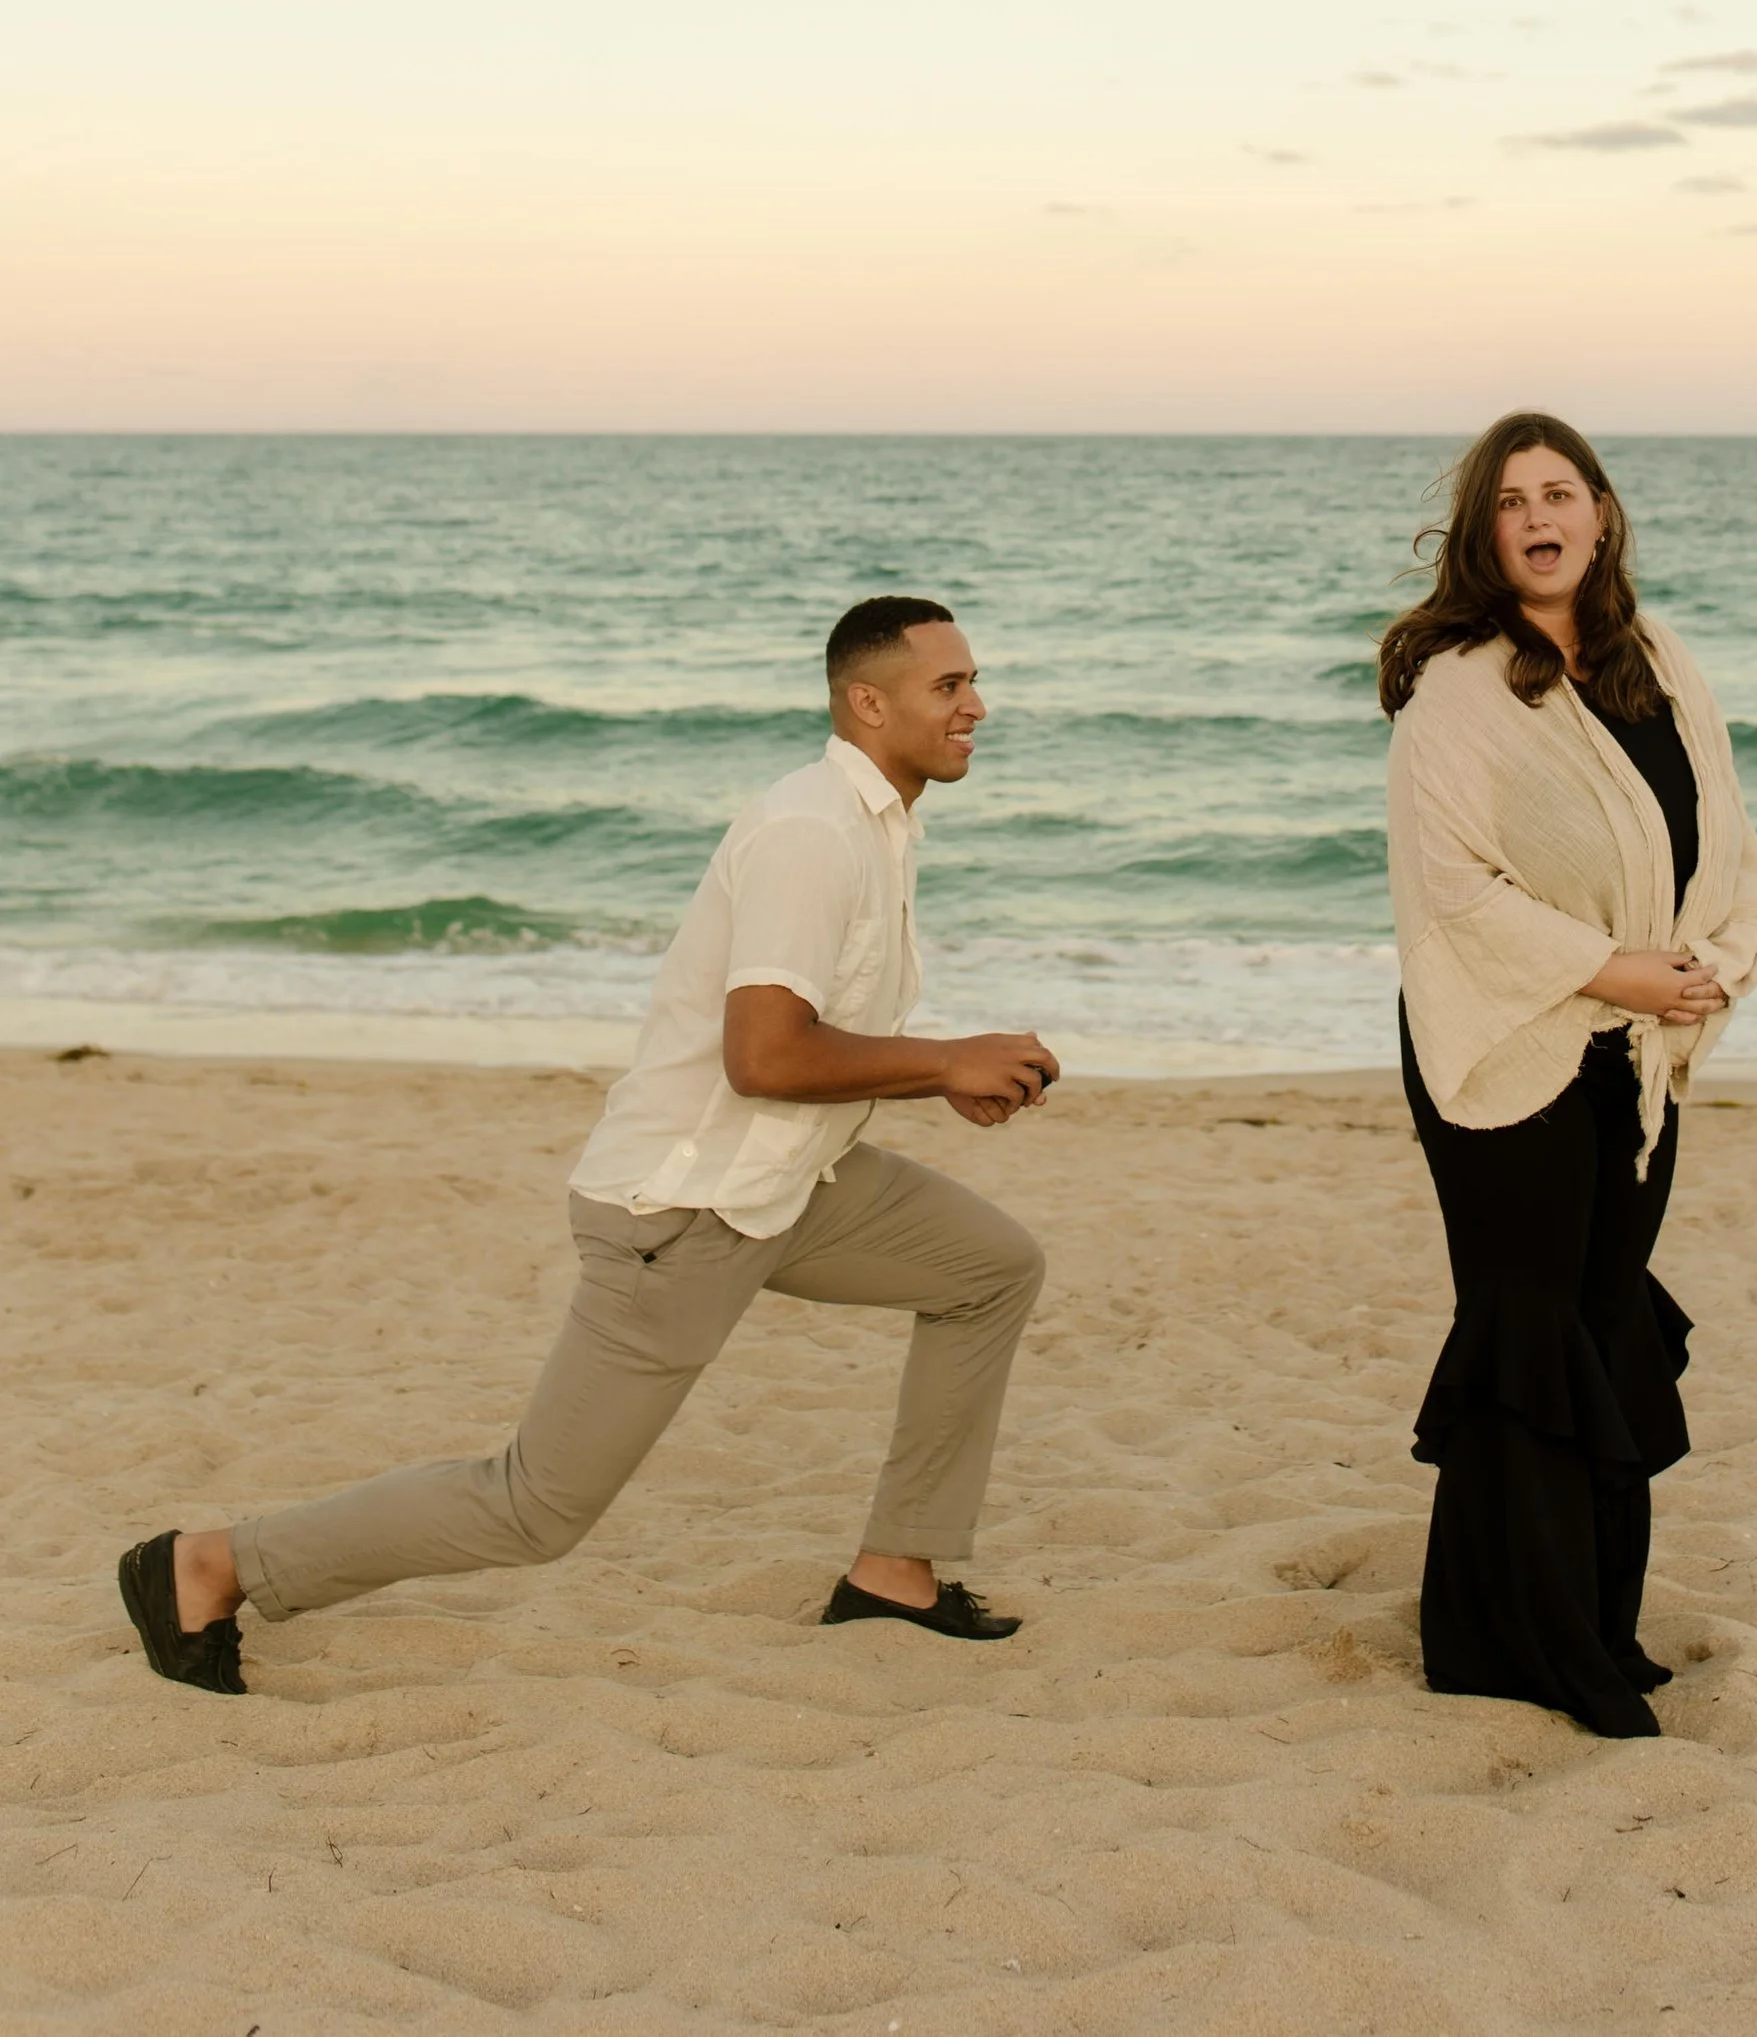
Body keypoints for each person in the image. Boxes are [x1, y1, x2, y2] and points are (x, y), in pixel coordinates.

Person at [118, 596, 1059, 1695]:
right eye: (949, 686)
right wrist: (943, 1062)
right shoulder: (812, 834)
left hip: (794, 1181)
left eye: (972, 682)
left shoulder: (877, 826)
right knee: (534, 1508)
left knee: (989, 1268)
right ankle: (208, 1565)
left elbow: (812, 1048)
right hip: (684, 1210)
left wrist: (929, 1075)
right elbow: (763, 1055)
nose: (976, 706)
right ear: (868, 703)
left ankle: (895, 1573)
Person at [1381, 413, 1757, 1740]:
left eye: (1560, 492)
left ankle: (1589, 1626)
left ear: (1601, 514)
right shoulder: (1460, 690)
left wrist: (1713, 959)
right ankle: (1530, 1647)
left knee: (1602, 1320)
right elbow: (1454, 891)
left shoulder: (1656, 658)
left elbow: (1723, 833)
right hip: (1510, 1041)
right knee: (1530, 1325)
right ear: (1483, 534)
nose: (1539, 517)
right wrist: (1616, 971)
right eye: (1511, 501)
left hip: (1638, 1047)